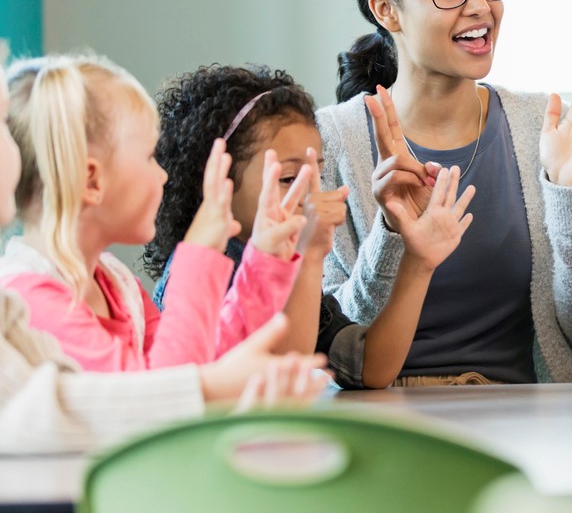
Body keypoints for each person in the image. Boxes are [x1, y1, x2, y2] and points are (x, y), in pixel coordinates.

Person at [321, 0, 572, 386]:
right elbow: (336, 357)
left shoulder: (540, 128)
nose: (481, 5)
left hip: (533, 426)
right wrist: (393, 236)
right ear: (386, 10)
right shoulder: (331, 143)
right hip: (393, 432)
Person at [146, 64, 480, 388]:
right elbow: (277, 378)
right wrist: (309, 258)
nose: (309, 195)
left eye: (316, 175)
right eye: (289, 178)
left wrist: (418, 263)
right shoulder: (196, 276)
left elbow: (371, 367)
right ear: (220, 179)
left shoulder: (290, 261)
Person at [0, 54, 305, 371]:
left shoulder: (116, 283)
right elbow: (164, 398)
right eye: (149, 156)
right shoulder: (29, 299)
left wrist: (265, 258)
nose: (163, 175)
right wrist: (197, 256)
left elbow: (205, 366)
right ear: (91, 180)